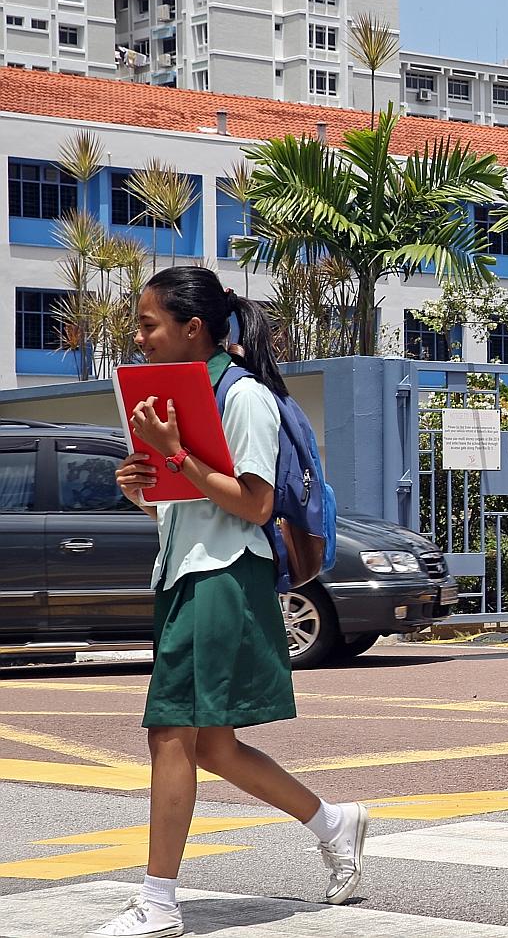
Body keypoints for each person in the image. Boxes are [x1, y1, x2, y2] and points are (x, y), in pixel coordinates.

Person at [95, 267, 365, 938]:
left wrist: (175, 453)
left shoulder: (243, 396)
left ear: (193, 328)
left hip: (225, 575)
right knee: (212, 744)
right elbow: (184, 503)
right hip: (187, 570)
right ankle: (332, 820)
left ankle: (158, 901)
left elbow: (256, 502)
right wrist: (142, 483)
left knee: (170, 730)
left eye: (149, 323)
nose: (139, 336)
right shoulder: (176, 398)